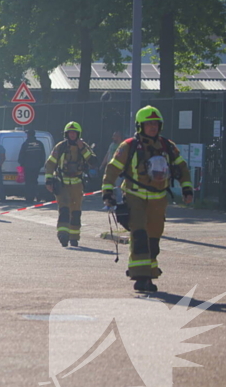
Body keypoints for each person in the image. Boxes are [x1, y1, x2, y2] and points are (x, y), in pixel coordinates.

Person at [102, 106, 193, 293]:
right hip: (135, 196)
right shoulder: (129, 146)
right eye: (148, 124)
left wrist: (187, 188)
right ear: (140, 126)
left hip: (158, 199)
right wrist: (107, 192)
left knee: (154, 239)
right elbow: (112, 169)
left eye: (155, 124)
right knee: (140, 235)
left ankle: (150, 274)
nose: (152, 127)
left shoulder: (168, 146)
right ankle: (140, 276)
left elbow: (182, 168)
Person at [44, 121, 96, 247]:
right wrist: (49, 180)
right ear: (66, 134)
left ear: (78, 134)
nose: (72, 135)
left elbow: (93, 161)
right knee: (64, 209)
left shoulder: (83, 146)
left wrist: (82, 148)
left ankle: (74, 237)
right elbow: (50, 164)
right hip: (62, 184)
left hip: (77, 185)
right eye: (70, 133)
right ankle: (63, 235)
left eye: (74, 133)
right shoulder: (60, 147)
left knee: (76, 211)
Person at [17, 129, 47, 204]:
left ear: (28, 135)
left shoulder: (26, 144)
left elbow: (21, 156)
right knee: (34, 181)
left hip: (28, 167)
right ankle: (37, 195)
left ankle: (29, 197)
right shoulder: (39, 144)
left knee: (28, 182)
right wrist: (40, 165)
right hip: (36, 166)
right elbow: (43, 156)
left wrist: (22, 164)